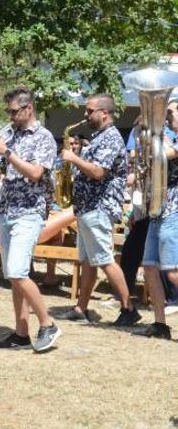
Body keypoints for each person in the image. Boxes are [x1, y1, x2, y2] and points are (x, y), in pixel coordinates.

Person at [0, 87, 61, 351]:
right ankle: (20, 333)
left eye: (13, 111)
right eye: (8, 111)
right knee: (14, 276)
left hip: (30, 211)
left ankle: (48, 323)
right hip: (7, 210)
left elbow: (36, 173)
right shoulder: (12, 137)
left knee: (16, 271)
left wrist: (7, 153)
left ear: (28, 108)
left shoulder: (44, 137)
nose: (10, 116)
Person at [56, 93, 138, 326]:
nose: (85, 114)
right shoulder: (99, 137)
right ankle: (81, 308)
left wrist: (73, 158)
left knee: (103, 259)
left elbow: (98, 172)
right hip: (87, 207)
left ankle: (129, 308)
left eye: (90, 110)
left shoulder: (111, 138)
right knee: (88, 261)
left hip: (99, 207)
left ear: (104, 112)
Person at [137, 96, 178, 339]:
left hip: (174, 208)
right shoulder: (169, 138)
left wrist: (154, 132)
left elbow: (166, 155)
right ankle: (160, 323)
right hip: (158, 207)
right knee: (150, 267)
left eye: (172, 113)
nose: (169, 117)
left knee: (172, 270)